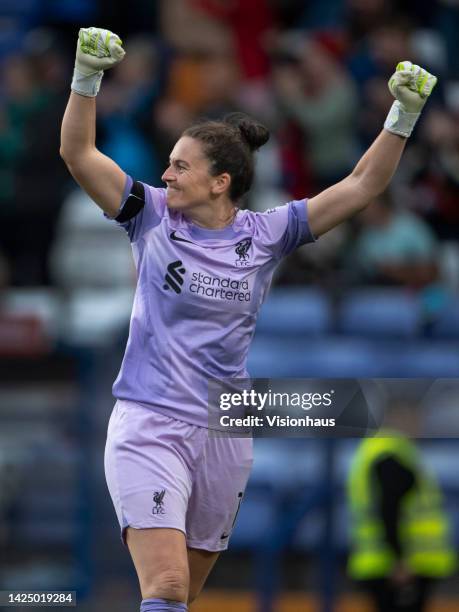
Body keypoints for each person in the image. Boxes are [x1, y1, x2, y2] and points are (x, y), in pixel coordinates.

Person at [60, 27, 437, 612]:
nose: (167, 176)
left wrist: (403, 114)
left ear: (221, 182)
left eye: (181, 167)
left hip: (223, 431)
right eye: (168, 164)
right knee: (165, 588)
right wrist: (87, 76)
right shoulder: (149, 216)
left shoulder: (266, 235)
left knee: (184, 596)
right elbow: (79, 154)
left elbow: (362, 185)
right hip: (150, 421)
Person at [347, 425, 456, 612]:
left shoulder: (378, 450)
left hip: (389, 564)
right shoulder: (391, 455)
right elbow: (389, 509)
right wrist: (399, 559)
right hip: (401, 567)